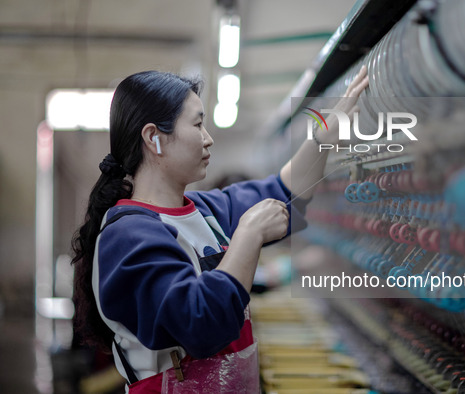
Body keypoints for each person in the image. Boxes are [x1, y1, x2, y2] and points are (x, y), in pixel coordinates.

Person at [71, 67, 369, 393]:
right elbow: (199, 322)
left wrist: (322, 138)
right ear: (153, 138)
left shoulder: (205, 211)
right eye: (198, 124)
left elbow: (286, 192)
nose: (208, 138)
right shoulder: (127, 236)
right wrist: (248, 236)